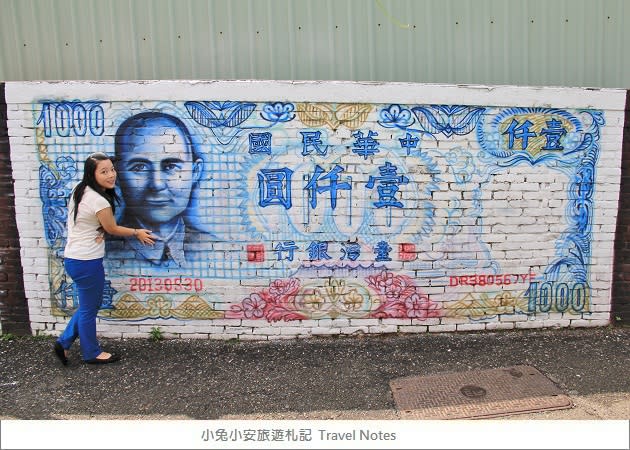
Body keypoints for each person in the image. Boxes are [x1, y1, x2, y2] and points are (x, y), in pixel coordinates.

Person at [54, 152, 155, 365]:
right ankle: (91, 352)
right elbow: (111, 227)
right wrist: (137, 232)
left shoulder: (80, 190)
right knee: (89, 309)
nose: (111, 175)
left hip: (75, 258)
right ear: (92, 174)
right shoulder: (98, 200)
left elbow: (88, 222)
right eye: (104, 172)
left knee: (88, 305)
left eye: (112, 169)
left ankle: (63, 342)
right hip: (87, 261)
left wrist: (97, 229)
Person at [108, 112, 205, 268]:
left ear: (195, 172)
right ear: (117, 175)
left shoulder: (216, 250)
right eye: (139, 167)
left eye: (171, 167)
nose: (157, 184)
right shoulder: (105, 255)